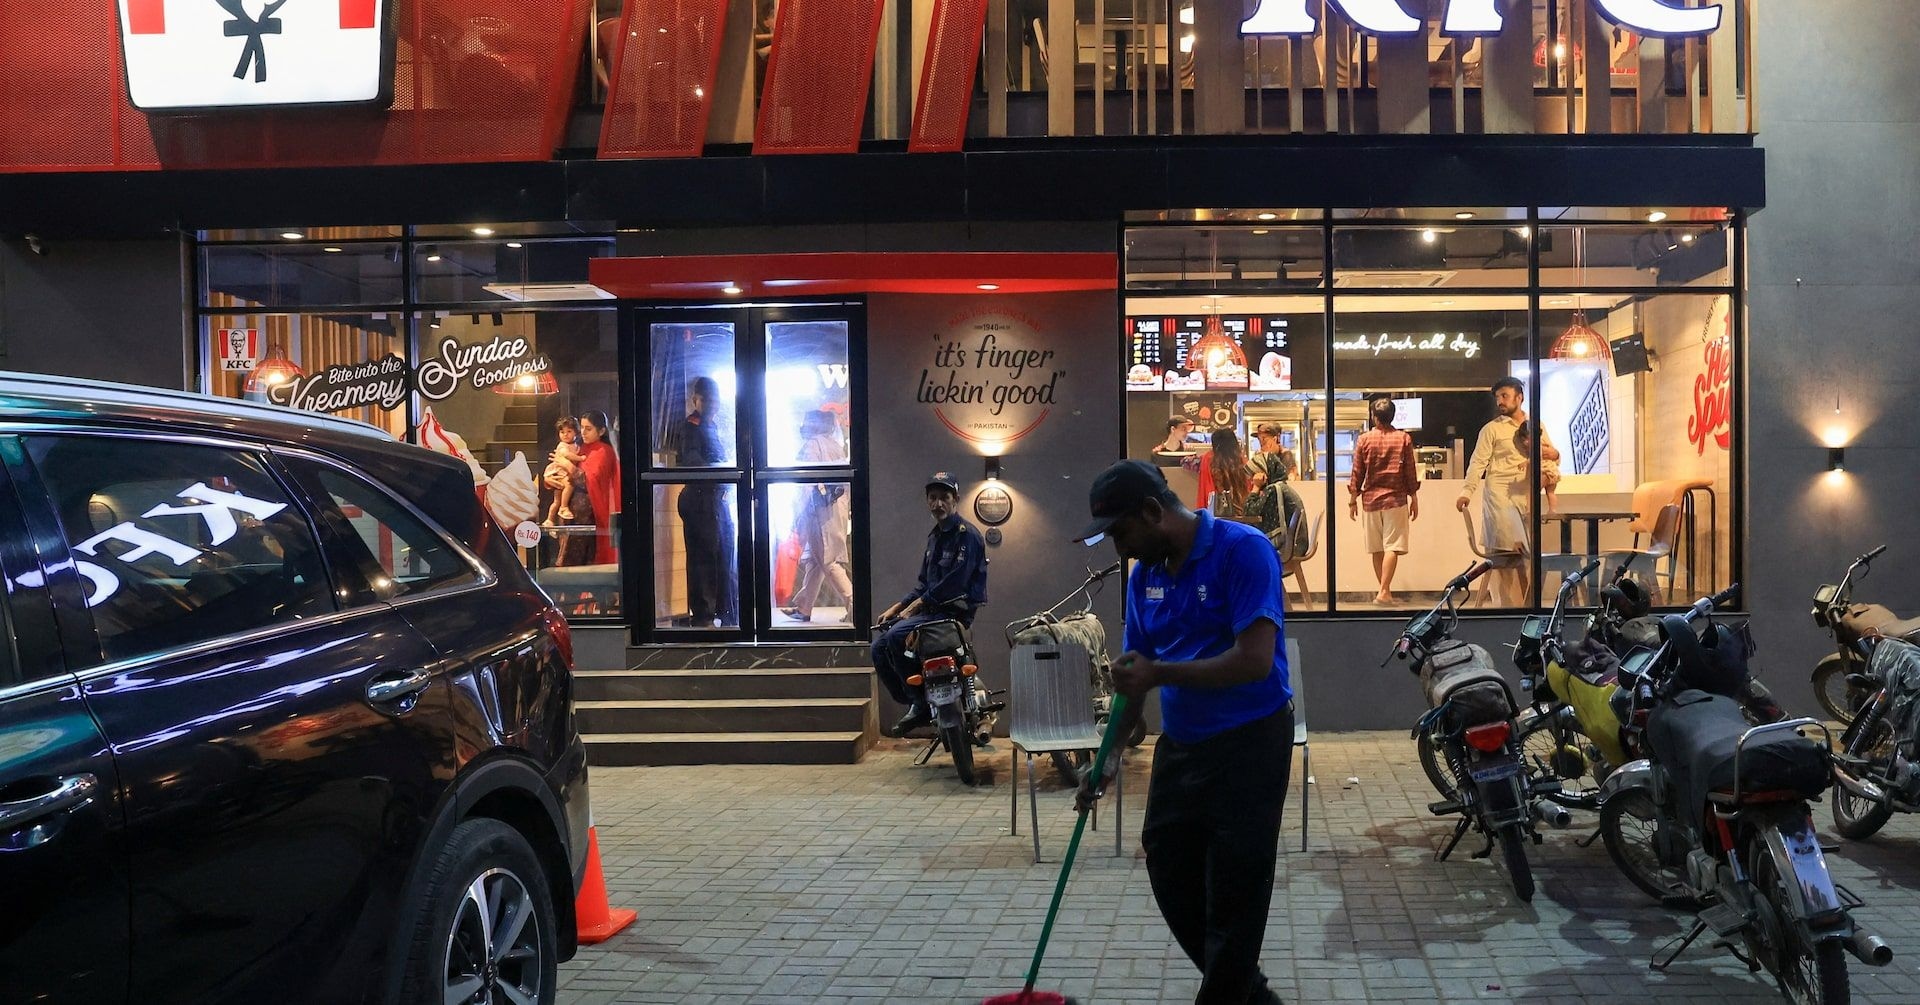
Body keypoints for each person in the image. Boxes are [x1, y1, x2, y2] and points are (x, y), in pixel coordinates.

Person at [1072, 459, 1292, 1005]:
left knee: (1236, 891)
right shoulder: (1145, 576)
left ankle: (1228, 992)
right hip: (1186, 745)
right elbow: (1134, 677)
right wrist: (1109, 757)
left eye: (1123, 533)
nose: (1120, 550)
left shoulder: (1242, 550)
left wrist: (1160, 674)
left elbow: (1255, 661)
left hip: (1251, 743)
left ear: (1153, 512)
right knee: (1169, 866)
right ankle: (1251, 995)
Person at [871, 472, 989, 736]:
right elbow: (924, 583)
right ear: (927, 502)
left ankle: (919, 704)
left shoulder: (966, 535)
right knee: (878, 647)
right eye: (933, 498)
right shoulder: (934, 538)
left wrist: (915, 607)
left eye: (944, 498)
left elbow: (956, 582)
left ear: (955, 499)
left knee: (895, 636)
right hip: (931, 612)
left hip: (954, 612)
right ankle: (915, 696)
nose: (938, 504)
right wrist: (897, 607)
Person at [1455, 376, 1559, 606]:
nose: (1500, 401)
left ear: (1519, 397)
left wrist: (1556, 455)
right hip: (1499, 497)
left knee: (1530, 557)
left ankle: (1529, 607)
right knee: (1504, 555)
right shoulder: (1491, 429)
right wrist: (1466, 492)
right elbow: (1477, 463)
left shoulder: (1536, 424)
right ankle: (1505, 610)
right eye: (1497, 397)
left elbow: (1551, 453)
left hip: (1527, 497)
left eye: (1505, 395)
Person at [670, 379, 738, 627]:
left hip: (716, 500)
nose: (713, 404)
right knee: (703, 562)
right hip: (700, 499)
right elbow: (692, 461)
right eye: (707, 399)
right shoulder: (691, 427)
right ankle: (703, 615)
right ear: (695, 400)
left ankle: (727, 612)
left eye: (715, 399)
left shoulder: (712, 426)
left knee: (724, 558)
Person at [1347, 397, 1420, 605]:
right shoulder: (1403, 438)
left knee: (1377, 548)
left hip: (1370, 501)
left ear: (1375, 417)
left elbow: (1357, 472)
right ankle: (1384, 591)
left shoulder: (1364, 439)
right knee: (1392, 546)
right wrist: (1414, 497)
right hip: (1396, 500)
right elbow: (1410, 472)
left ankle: (1383, 591)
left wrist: (1353, 500)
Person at [783, 410, 854, 624]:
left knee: (828, 559)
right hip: (835, 511)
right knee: (816, 559)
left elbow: (807, 481)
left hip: (818, 511)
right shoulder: (835, 446)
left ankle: (854, 604)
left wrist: (798, 514)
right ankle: (804, 607)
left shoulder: (813, 445)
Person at [576, 411, 623, 567]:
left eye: (588, 428)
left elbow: (588, 478)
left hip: (594, 513)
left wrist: (565, 464)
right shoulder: (582, 448)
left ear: (601, 431)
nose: (583, 432)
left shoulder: (603, 451)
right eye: (582, 427)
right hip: (578, 512)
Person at [1203, 429, 1260, 524]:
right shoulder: (1241, 459)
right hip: (1242, 511)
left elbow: (1207, 487)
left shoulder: (1209, 458)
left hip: (1218, 512)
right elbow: (1248, 484)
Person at [542, 416, 584, 526]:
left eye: (569, 431)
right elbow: (566, 454)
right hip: (560, 473)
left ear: (576, 432)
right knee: (564, 490)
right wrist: (580, 458)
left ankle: (551, 519)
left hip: (578, 500)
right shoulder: (563, 445)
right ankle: (558, 512)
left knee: (557, 500)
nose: (565, 434)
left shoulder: (577, 446)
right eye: (562, 432)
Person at [1513, 420, 1560, 513]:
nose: (1525, 443)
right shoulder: (1540, 444)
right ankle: (1552, 510)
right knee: (1550, 493)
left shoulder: (1538, 445)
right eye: (1523, 440)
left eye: (1527, 439)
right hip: (1551, 471)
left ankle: (1530, 510)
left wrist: (1526, 463)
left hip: (1546, 471)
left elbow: (1537, 456)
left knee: (1533, 491)